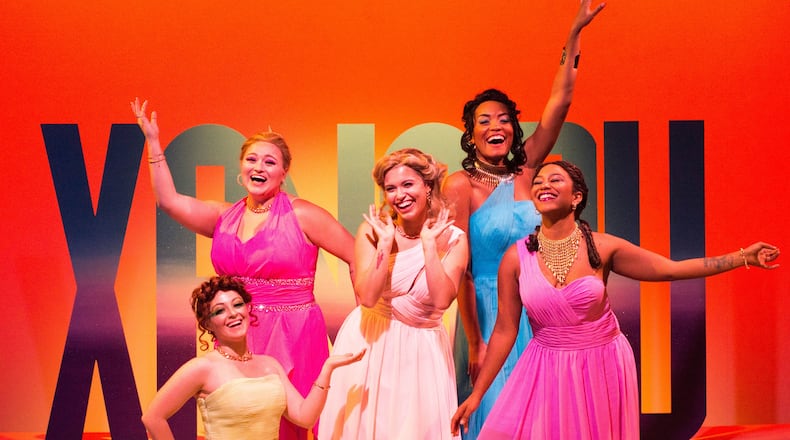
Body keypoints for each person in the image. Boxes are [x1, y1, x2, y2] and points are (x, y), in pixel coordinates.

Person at [451, 160, 781, 439]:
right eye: (538, 181)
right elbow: (505, 330)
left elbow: (670, 269)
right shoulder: (515, 257)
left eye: (555, 179)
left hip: (601, 364)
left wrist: (742, 257)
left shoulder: (604, 247)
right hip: (546, 367)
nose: (543, 185)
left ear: (576, 197)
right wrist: (477, 395)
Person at [131, 98, 355, 440]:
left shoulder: (304, 214)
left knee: (296, 421)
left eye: (270, 161)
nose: (259, 167)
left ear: (283, 173)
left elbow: (357, 256)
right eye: (252, 159)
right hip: (240, 329)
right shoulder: (224, 217)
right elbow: (169, 201)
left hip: (296, 334)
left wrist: (361, 324)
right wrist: (154, 144)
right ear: (241, 167)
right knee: (247, 418)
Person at [443, 2, 605, 437]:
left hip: (543, 312)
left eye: (505, 119)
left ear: (515, 128)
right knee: (498, 415)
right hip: (491, 313)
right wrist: (474, 340)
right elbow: (458, 272)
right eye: (484, 120)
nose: (497, 126)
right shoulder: (460, 186)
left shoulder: (529, 171)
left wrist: (574, 33)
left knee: (549, 415)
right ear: (470, 132)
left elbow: (561, 100)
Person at [318, 148, 469, 439]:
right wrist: (385, 246)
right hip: (370, 340)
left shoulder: (452, 238)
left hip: (422, 349)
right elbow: (368, 297)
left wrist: (428, 248)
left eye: (408, 184)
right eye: (391, 188)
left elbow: (442, 299)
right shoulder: (372, 232)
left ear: (428, 186)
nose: (400, 195)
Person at [141, 275, 365, 440]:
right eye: (220, 310)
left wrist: (327, 370)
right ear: (208, 323)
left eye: (237, 305)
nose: (232, 313)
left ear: (248, 310)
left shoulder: (270, 364)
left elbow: (305, 417)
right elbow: (153, 417)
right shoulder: (203, 368)